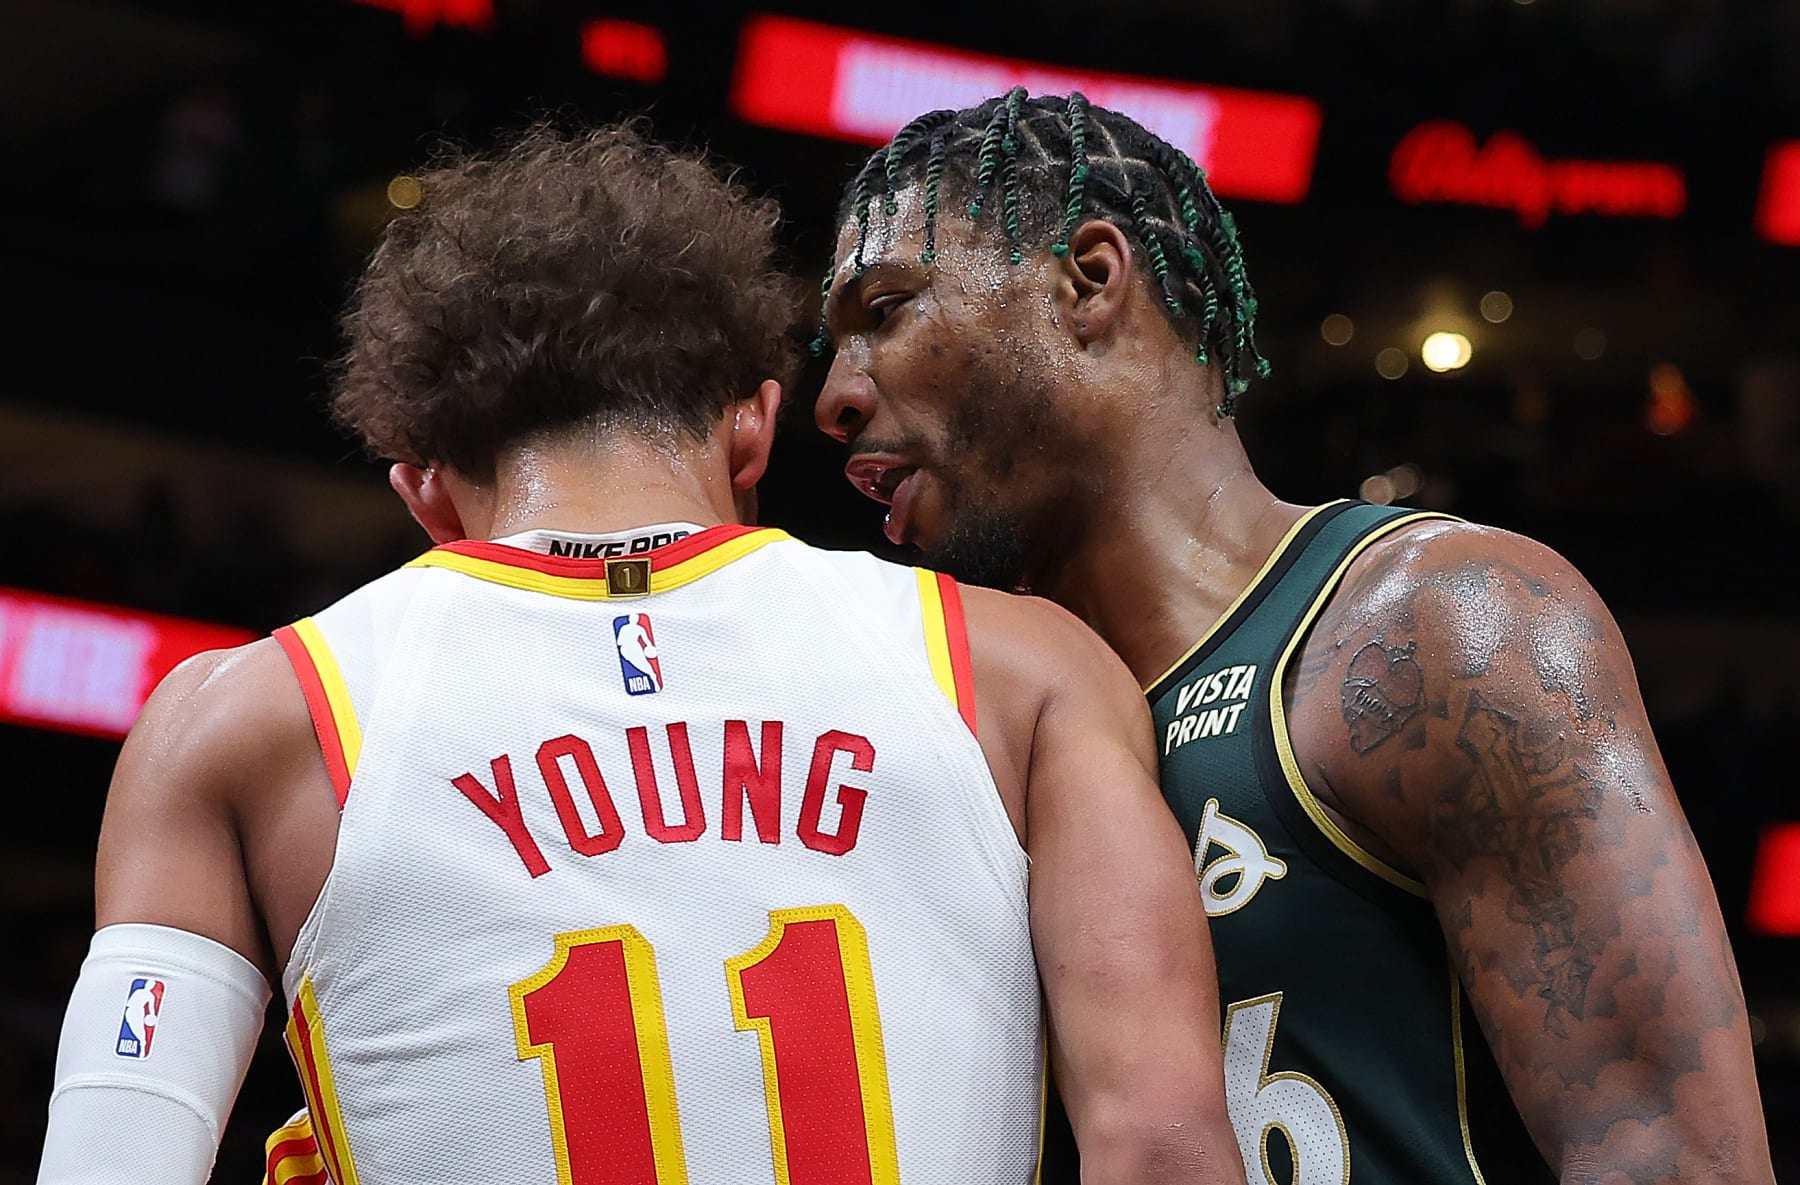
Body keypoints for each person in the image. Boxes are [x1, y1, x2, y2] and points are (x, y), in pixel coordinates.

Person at [37, 122, 1245, 1185]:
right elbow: (1164, 1145)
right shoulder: (1023, 669)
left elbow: (107, 1163)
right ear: (754, 423)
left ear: (418, 484)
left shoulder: (240, 723)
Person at [811, 88, 1775, 1185]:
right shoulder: (960, 738)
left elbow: (1679, 1162)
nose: (834, 399)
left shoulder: (1436, 627)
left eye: (883, 310)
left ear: (1089, 280)